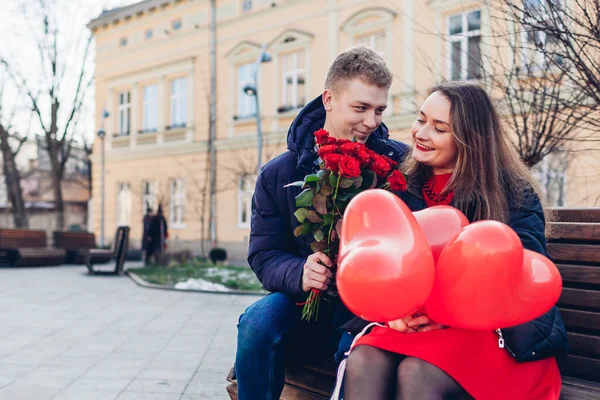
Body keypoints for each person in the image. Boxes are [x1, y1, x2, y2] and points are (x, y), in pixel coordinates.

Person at [342, 81, 569, 400]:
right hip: (416, 329)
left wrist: (447, 311)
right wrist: (393, 313)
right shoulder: (401, 188)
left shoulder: (512, 194)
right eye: (421, 119)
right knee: (364, 359)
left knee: (417, 373)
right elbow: (384, 270)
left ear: (469, 139)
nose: (421, 133)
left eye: (439, 128)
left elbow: (521, 272)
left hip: (491, 333)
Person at [235, 45, 410, 399]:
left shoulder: (398, 165)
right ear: (329, 100)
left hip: (368, 312)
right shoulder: (279, 173)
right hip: (304, 303)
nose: (371, 122)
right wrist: (299, 272)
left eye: (379, 110)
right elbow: (264, 254)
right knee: (256, 322)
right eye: (360, 108)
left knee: (358, 351)